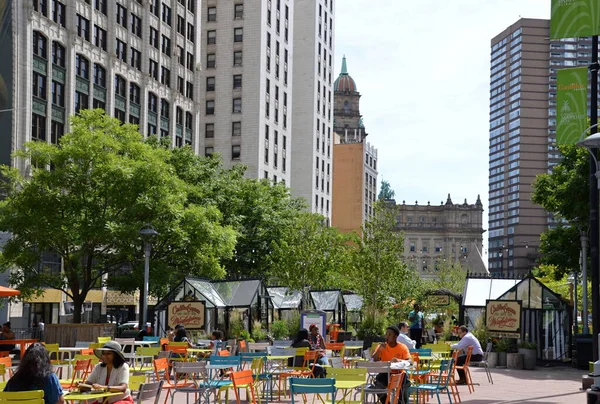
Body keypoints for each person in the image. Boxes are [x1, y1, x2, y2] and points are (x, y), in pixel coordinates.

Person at [373, 326, 411, 404]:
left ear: (395, 336)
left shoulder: (402, 347)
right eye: (386, 334)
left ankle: (402, 402)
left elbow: (410, 361)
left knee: (406, 384)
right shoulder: (381, 346)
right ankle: (386, 402)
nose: (387, 336)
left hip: (399, 373)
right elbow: (374, 359)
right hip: (385, 373)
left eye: (389, 334)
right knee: (378, 385)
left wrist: (399, 360)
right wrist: (379, 351)